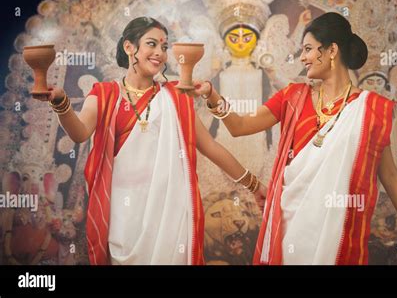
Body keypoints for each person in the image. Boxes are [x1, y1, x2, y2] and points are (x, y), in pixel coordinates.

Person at [194, 12, 397, 265]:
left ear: (332, 50)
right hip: (290, 230)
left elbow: (389, 174)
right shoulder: (293, 97)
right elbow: (240, 126)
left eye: (308, 49)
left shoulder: (372, 109)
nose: (302, 58)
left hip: (342, 236)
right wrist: (212, 95)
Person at [32, 17, 265, 265]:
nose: (159, 53)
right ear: (129, 47)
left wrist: (255, 186)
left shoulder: (175, 97)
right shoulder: (105, 94)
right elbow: (79, 133)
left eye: (164, 47)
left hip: (170, 216)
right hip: (122, 215)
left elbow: (211, 147)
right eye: (151, 44)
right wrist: (61, 103)